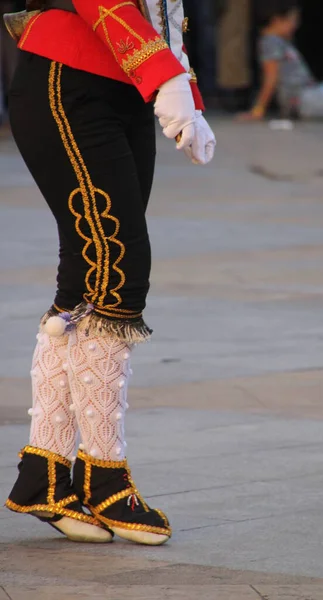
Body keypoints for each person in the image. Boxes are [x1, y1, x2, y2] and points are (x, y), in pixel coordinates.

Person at [4, 0, 215, 545]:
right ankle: (104, 476)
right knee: (118, 268)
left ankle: (44, 473)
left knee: (90, 275)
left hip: (124, 85)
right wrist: (165, 76)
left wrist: (181, 88)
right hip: (69, 74)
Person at [237, 0, 323, 122]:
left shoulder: (280, 41)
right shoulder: (270, 43)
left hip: (311, 91)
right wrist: (258, 110)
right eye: (292, 20)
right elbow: (271, 78)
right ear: (277, 20)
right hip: (302, 99)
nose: (295, 25)